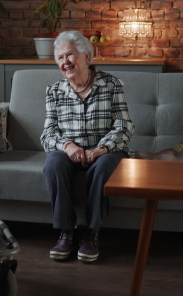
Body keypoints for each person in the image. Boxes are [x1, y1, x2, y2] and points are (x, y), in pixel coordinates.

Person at [40, 30, 135, 263]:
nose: (65, 62)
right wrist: (68, 146)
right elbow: (48, 133)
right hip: (71, 152)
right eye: (60, 58)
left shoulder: (112, 84)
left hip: (105, 152)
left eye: (70, 55)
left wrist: (102, 149)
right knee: (53, 163)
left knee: (104, 166)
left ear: (86, 57)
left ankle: (92, 232)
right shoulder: (54, 92)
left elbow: (124, 126)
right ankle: (67, 232)